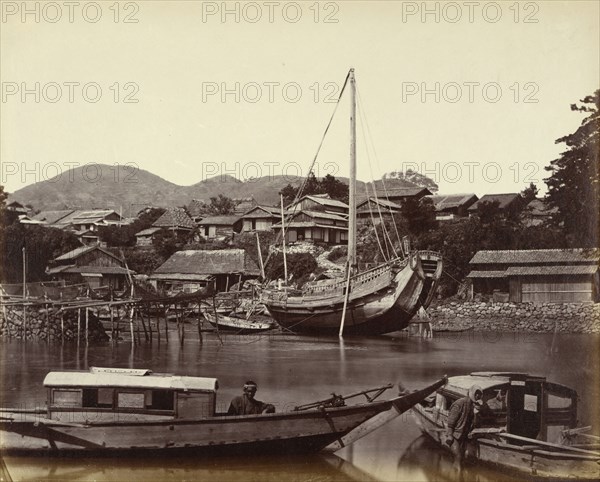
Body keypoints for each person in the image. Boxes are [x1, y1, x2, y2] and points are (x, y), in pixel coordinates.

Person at [444, 384, 483, 470]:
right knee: (458, 457)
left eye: (479, 394)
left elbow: (476, 424)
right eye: (476, 393)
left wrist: (476, 413)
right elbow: (450, 422)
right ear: (471, 393)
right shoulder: (459, 403)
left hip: (464, 436)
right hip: (455, 436)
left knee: (461, 459)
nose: (478, 396)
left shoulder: (474, 407)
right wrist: (449, 435)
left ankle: (456, 475)